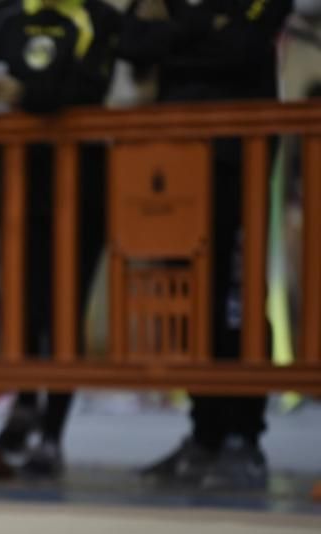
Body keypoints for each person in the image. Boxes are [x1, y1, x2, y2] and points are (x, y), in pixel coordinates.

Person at [121, 0, 293, 490]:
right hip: (177, 164)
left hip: (240, 159)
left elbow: (242, 48)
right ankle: (205, 433)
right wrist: (201, 28)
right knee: (193, 303)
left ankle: (244, 437)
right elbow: (133, 46)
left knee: (238, 298)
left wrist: (174, 30)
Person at [0, 0, 121, 476]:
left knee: (65, 309)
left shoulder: (100, 18)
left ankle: (53, 432)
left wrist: (26, 90)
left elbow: (91, 87)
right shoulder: (5, 15)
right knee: (23, 303)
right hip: (18, 183)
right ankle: (25, 404)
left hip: (83, 186)